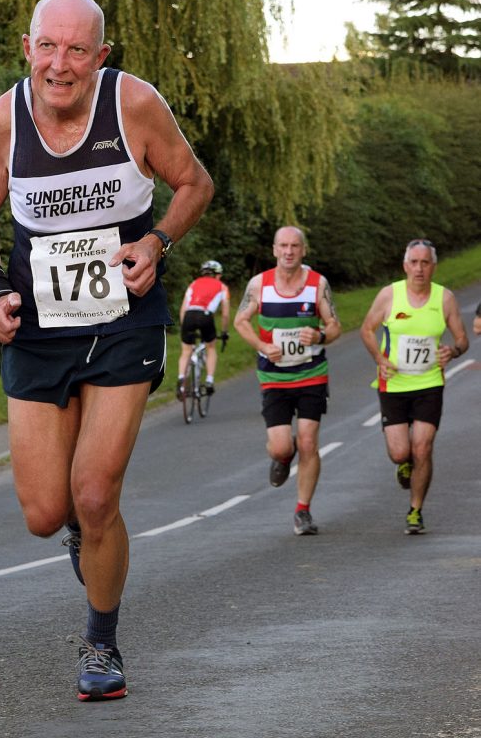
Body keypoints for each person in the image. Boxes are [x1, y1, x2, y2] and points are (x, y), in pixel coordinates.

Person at [0, 0, 213, 700]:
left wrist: (157, 242)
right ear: (26, 47)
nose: (60, 64)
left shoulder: (132, 106)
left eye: (77, 49)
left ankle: (102, 642)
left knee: (97, 491)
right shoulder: (4, 121)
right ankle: (79, 524)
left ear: (101, 56)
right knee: (47, 513)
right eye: (48, 46)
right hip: (39, 330)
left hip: (122, 321)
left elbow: (195, 181)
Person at [233, 226, 341, 536]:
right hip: (274, 376)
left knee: (308, 441)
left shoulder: (317, 284)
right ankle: (282, 458)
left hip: (311, 374)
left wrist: (320, 334)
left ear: (303, 250)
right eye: (283, 246)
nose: (289, 251)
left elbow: (334, 326)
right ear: (274, 250)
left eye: (295, 246)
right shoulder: (260, 285)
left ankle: (302, 511)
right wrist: (262, 346)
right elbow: (241, 320)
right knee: (282, 447)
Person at [360, 238, 468, 535]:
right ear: (405, 265)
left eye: (425, 263)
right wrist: (380, 359)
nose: (419, 269)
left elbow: (462, 339)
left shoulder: (444, 298)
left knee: (423, 446)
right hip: (393, 383)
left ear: (434, 266)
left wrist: (453, 351)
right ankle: (403, 463)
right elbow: (366, 329)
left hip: (429, 382)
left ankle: (415, 510)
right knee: (400, 452)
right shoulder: (389, 295)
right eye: (414, 262)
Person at [176, 260, 230, 399]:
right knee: (211, 347)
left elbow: (183, 310)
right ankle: (209, 381)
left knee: (186, 350)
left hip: (189, 316)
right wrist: (224, 332)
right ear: (216, 274)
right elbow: (225, 314)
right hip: (205, 316)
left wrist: (184, 328)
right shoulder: (222, 286)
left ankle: (181, 380)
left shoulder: (193, 284)